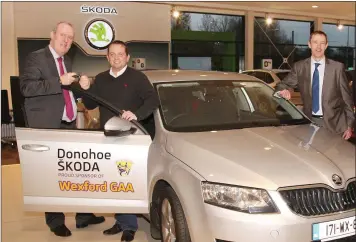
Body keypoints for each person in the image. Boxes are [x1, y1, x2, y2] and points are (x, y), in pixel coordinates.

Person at [19, 21, 105, 237]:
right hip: (47, 125)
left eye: (70, 37)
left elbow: (66, 90)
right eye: (63, 35)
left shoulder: (66, 59)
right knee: (52, 174)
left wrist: (82, 85)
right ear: (52, 35)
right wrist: (59, 80)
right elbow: (27, 88)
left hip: (67, 122)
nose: (66, 40)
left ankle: (83, 215)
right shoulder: (36, 57)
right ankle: (55, 221)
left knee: (75, 171)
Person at [82, 40, 159, 242]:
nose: (116, 58)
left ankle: (129, 227)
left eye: (120, 54)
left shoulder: (137, 78)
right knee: (113, 182)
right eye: (112, 54)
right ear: (107, 57)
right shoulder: (100, 79)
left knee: (126, 181)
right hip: (107, 138)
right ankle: (121, 220)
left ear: (127, 57)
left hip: (129, 139)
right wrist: (86, 88)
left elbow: (153, 100)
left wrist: (137, 114)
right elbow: (90, 104)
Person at [275, 30, 354, 140]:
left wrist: (349, 125)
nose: (318, 46)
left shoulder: (337, 68)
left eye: (322, 43)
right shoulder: (300, 67)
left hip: (336, 125)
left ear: (326, 45)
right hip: (310, 123)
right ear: (309, 44)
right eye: (315, 42)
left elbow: (347, 99)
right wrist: (284, 91)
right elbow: (281, 85)